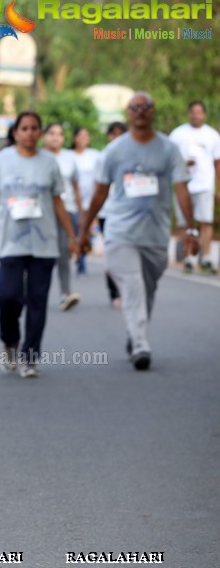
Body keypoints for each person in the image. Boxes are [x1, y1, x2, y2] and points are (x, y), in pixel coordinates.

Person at [79, 92, 195, 371]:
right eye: (135, 107)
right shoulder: (114, 151)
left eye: (146, 107)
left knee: (147, 289)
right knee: (133, 286)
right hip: (121, 232)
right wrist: (84, 231)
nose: (141, 111)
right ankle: (141, 343)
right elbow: (99, 193)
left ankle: (136, 333)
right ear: (128, 112)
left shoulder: (168, 149)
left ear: (153, 112)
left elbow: (182, 190)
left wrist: (189, 227)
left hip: (155, 235)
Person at [0, 111, 78, 378]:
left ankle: (30, 357)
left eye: (34, 128)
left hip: (44, 242)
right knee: (7, 296)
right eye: (24, 128)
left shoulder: (49, 164)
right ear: (16, 132)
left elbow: (57, 201)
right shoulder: (1, 161)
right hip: (10, 240)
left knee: (37, 301)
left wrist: (72, 237)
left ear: (40, 133)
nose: (30, 133)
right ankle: (10, 340)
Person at [168, 101, 220, 275]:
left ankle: (206, 258)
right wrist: (184, 163)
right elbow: (168, 160)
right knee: (184, 223)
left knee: (205, 221)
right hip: (183, 185)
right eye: (193, 112)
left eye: (199, 112)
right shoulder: (177, 134)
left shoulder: (212, 135)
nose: (196, 115)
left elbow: (217, 163)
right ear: (189, 114)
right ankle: (189, 258)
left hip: (204, 184)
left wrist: (218, 188)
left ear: (204, 114)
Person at [41, 123, 83, 310]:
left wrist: (82, 215)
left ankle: (65, 293)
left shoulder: (69, 159)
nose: (55, 137)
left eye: (60, 134)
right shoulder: (38, 157)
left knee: (64, 252)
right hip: (42, 212)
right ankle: (34, 292)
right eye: (51, 133)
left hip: (66, 210)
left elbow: (75, 188)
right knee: (40, 254)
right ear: (44, 136)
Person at [96, 122, 127, 307]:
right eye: (113, 134)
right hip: (107, 213)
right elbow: (98, 188)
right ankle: (114, 291)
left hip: (129, 213)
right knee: (112, 253)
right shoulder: (104, 156)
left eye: (121, 134)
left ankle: (127, 289)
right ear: (109, 136)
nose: (117, 138)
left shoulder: (134, 154)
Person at [71, 127, 99, 275]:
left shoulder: (95, 156)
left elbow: (99, 180)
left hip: (89, 202)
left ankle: (81, 261)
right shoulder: (69, 156)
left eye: (86, 135)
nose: (83, 138)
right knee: (75, 232)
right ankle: (75, 254)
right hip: (72, 202)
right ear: (75, 138)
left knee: (85, 232)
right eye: (80, 135)